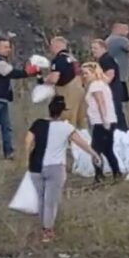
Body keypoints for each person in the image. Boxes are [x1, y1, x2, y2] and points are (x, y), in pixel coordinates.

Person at [25, 96, 102, 243]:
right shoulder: (66, 127)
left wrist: (26, 156)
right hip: (55, 167)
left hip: (36, 166)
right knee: (51, 201)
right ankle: (48, 231)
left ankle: (43, 227)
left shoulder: (38, 124)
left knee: (41, 199)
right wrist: (94, 154)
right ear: (62, 112)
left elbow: (28, 140)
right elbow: (81, 143)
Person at [0, 36, 39, 160]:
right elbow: (11, 73)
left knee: (5, 126)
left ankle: (7, 152)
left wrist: (28, 72)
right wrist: (28, 72)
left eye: (9, 47)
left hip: (0, 98)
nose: (8, 50)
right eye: (5, 47)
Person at [80, 62, 123, 184]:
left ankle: (99, 176)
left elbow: (101, 103)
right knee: (108, 149)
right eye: (83, 73)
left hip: (101, 122)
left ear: (94, 73)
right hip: (109, 120)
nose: (84, 76)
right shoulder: (102, 84)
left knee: (95, 150)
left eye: (86, 73)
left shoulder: (95, 86)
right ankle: (116, 173)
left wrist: (104, 120)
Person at [105, 22, 129, 131]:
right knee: (120, 104)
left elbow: (128, 57)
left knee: (114, 102)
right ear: (118, 29)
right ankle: (122, 128)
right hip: (120, 77)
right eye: (126, 29)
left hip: (111, 76)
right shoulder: (120, 40)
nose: (128, 32)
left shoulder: (108, 41)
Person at [44, 37, 87, 129]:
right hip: (80, 89)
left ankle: (69, 141)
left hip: (68, 91)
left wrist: (45, 80)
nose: (50, 48)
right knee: (80, 119)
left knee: (67, 118)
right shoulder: (72, 58)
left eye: (51, 46)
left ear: (56, 45)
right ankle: (85, 140)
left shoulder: (59, 59)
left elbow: (54, 78)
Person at [90, 39, 127, 132]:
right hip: (113, 90)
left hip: (112, 91)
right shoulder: (104, 59)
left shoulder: (106, 59)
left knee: (115, 114)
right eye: (92, 48)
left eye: (95, 48)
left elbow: (110, 74)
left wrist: (99, 86)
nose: (93, 50)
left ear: (103, 48)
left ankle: (122, 133)